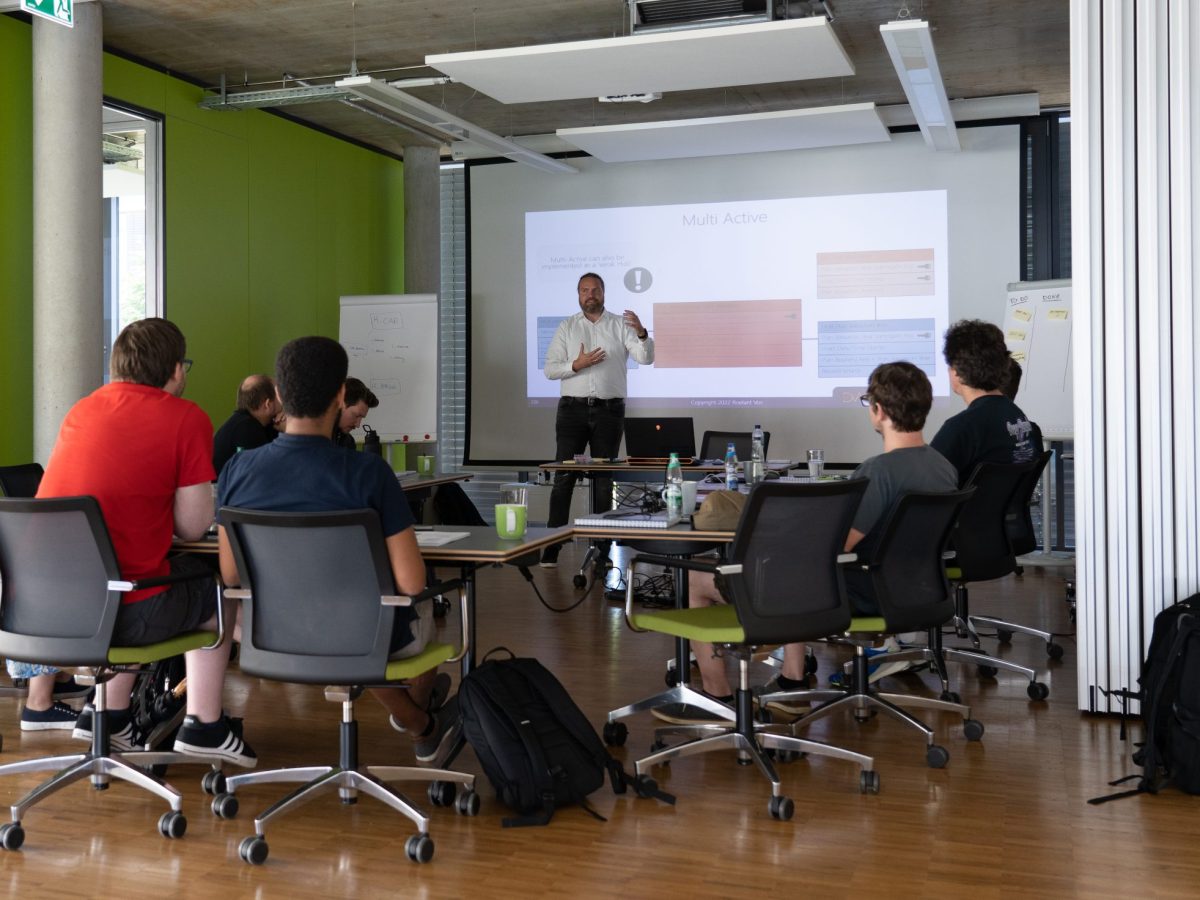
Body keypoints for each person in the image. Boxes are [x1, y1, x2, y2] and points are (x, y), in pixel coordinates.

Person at [654, 362, 957, 725]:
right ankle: (790, 684)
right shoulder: (943, 467)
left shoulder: (878, 472)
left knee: (699, 581)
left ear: (878, 410)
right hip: (916, 591)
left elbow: (833, 547)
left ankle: (716, 697)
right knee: (793, 567)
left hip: (861, 595)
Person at [217, 336, 456, 763]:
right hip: (364, 635)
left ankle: (420, 722)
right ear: (341, 394)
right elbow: (411, 581)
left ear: (279, 396)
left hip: (271, 634)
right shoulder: (369, 474)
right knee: (420, 615)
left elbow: (231, 575)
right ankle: (419, 723)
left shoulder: (238, 470)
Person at [36, 318, 254, 764]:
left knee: (131, 576)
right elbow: (194, 529)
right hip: (121, 612)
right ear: (176, 370)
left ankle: (111, 716)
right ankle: (205, 725)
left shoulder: (81, 410)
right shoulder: (185, 417)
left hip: (46, 609)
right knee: (216, 589)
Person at [540, 272, 654, 567]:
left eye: (595, 290)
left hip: (609, 411)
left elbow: (645, 358)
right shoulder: (567, 326)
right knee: (564, 477)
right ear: (578, 294)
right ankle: (553, 546)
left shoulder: (620, 325)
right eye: (584, 290)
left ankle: (602, 550)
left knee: (604, 481)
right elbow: (550, 370)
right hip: (572, 411)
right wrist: (576, 365)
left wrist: (642, 333)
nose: (590, 295)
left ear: (604, 293)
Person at [931, 319, 1043, 482]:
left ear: (955, 372)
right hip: (1001, 508)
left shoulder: (962, 429)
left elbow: (922, 485)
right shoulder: (1019, 419)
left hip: (970, 508)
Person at [211, 373, 280, 474]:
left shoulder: (245, 423)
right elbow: (266, 473)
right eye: (280, 395)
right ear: (268, 404)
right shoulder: (247, 429)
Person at [332, 377, 379, 450]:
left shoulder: (349, 442)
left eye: (361, 418)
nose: (357, 425)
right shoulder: (314, 438)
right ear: (341, 404)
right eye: (356, 415)